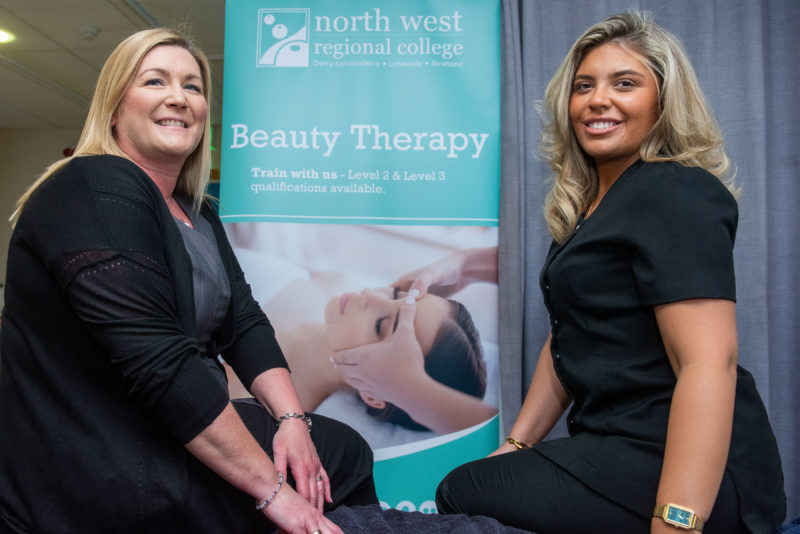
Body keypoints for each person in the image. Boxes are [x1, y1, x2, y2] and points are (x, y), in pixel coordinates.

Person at [339, 12, 787, 534]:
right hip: (617, 444)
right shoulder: (591, 208)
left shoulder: (676, 192)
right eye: (584, 86)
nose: (598, 100)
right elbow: (569, 336)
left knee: (461, 491)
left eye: (625, 83)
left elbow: (711, 363)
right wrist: (515, 446)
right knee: (473, 487)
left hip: (694, 469)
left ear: (664, 101)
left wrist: (678, 522)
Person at [0, 28, 378, 534]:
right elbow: (159, 366)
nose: (178, 97)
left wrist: (293, 423)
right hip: (100, 460)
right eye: (155, 81)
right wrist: (275, 494)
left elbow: (243, 321)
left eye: (193, 86)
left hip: (162, 431)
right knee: (340, 461)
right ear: (114, 108)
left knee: (334, 447)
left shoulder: (197, 214)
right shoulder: (94, 185)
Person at [224, 274, 491, 434]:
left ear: (374, 392)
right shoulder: (305, 281)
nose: (369, 295)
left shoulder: (257, 424)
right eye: (397, 294)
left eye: (381, 324)